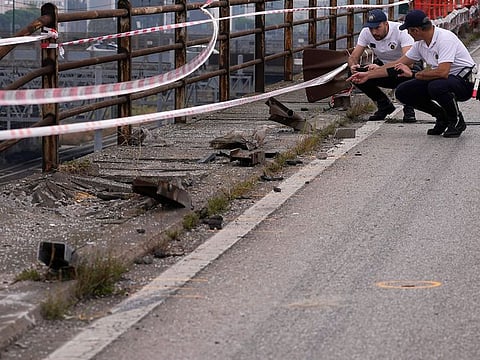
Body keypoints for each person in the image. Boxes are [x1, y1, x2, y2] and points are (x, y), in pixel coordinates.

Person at [348, 9, 475, 138]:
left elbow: (443, 72)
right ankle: (442, 117)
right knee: (403, 92)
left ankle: (456, 120)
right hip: (443, 79)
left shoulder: (445, 38)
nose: (408, 33)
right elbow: (397, 64)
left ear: (416, 30)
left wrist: (414, 75)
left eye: (408, 30)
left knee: (436, 86)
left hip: (463, 81)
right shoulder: (420, 44)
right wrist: (367, 75)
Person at [348, 9, 417, 122]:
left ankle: (409, 106)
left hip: (403, 68)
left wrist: (380, 69)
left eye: (377, 28)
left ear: (386, 24)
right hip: (382, 66)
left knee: (405, 71)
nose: (374, 32)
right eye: (371, 29)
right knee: (354, 74)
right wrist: (353, 66)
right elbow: (353, 56)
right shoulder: (366, 32)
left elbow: (408, 63)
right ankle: (384, 105)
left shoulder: (401, 31)